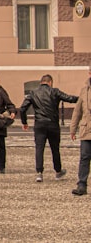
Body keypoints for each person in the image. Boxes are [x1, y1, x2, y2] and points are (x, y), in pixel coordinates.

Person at [19, 73, 79, 182]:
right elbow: (69, 98)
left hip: (39, 124)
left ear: (41, 82)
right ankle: (58, 171)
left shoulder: (33, 93)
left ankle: (39, 173)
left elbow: (22, 108)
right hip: (53, 124)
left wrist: (24, 122)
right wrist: (82, 98)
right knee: (55, 148)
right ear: (50, 82)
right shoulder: (54, 91)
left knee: (39, 148)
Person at [70, 65, 91, 196]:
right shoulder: (84, 90)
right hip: (86, 130)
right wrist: (73, 129)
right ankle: (81, 185)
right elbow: (77, 111)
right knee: (84, 157)